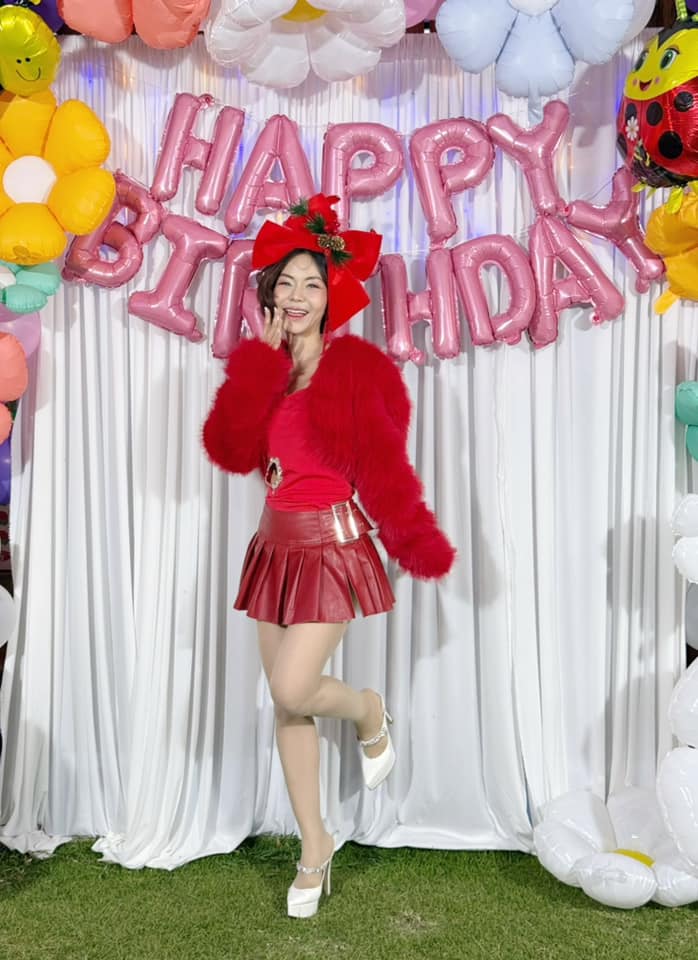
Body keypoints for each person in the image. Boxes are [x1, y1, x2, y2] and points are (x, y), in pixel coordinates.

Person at [203, 194, 455, 919]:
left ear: (331, 297)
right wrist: (256, 369)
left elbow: (383, 463)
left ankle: (369, 710)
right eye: (285, 283)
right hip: (273, 546)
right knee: (287, 705)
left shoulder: (357, 368)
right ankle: (315, 847)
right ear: (268, 294)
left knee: (293, 687)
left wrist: (411, 535)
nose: (296, 296)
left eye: (311, 284)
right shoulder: (263, 366)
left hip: (332, 547)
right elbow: (230, 450)